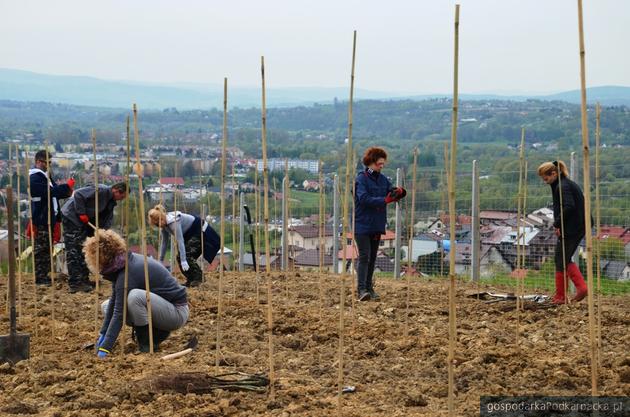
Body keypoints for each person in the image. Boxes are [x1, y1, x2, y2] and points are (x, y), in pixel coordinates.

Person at [83, 229, 189, 357]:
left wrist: (105, 348)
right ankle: (155, 332)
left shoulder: (128, 272)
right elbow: (114, 304)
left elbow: (119, 313)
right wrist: (103, 333)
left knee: (135, 297)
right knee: (106, 305)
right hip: (162, 309)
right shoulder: (122, 264)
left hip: (176, 312)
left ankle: (147, 341)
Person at [354, 147, 406, 301]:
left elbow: (391, 192)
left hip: (377, 224)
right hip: (362, 224)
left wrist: (400, 192)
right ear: (370, 162)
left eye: (383, 164)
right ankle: (361, 289)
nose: (381, 166)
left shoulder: (383, 179)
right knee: (364, 256)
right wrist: (384, 200)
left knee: (372, 258)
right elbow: (363, 199)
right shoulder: (361, 179)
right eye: (379, 164)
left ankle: (369, 288)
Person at [61, 183, 127, 293]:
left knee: (84, 248)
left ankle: (83, 280)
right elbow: (78, 194)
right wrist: (81, 212)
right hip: (72, 216)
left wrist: (101, 233)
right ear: (116, 190)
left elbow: (106, 219)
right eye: (122, 196)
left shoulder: (110, 202)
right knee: (75, 250)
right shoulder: (100, 190)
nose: (121, 199)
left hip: (84, 223)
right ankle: (75, 283)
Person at [538, 160, 588, 304]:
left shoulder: (562, 186)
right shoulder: (563, 184)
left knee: (561, 258)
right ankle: (568, 293)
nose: (545, 182)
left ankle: (565, 295)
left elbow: (569, 207)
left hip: (574, 227)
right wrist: (560, 226)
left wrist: (557, 223)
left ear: (554, 173)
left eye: (546, 178)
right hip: (575, 225)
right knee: (563, 258)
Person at [28, 150, 74, 286]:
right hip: (42, 218)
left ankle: (44, 276)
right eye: (45, 162)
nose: (47, 165)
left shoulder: (45, 176)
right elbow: (49, 192)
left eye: (49, 163)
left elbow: (55, 193)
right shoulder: (35, 177)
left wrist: (67, 190)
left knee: (47, 249)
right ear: (38, 162)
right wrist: (66, 187)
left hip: (49, 217)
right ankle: (40, 278)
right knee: (41, 249)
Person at [148, 205, 221, 287]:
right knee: (179, 257)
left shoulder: (174, 223)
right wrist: (160, 260)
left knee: (186, 256)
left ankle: (199, 279)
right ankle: (191, 279)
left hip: (199, 230)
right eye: (157, 225)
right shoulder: (164, 227)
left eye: (159, 222)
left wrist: (183, 260)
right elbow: (164, 243)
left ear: (162, 217)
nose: (159, 225)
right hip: (190, 234)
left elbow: (180, 241)